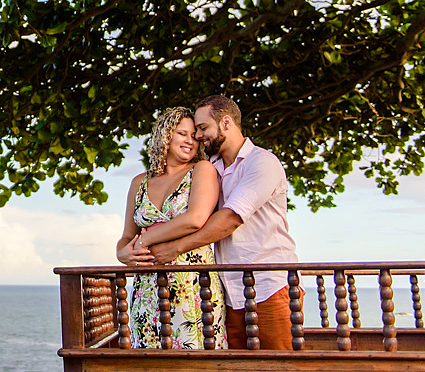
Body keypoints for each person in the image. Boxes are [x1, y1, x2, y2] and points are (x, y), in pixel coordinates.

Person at [147, 95, 300, 350]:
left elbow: (230, 219)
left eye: (203, 128)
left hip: (268, 288)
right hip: (229, 293)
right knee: (235, 366)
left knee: (279, 364)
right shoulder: (210, 168)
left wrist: (175, 248)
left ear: (226, 122)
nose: (198, 136)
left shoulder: (262, 162)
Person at [116, 107, 227, 349]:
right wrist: (122, 253)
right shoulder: (139, 182)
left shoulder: (202, 170)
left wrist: (145, 241)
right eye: (182, 134)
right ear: (165, 135)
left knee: (196, 357)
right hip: (147, 290)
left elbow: (195, 219)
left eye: (194, 136)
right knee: (149, 360)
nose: (190, 141)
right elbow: (127, 236)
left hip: (192, 286)